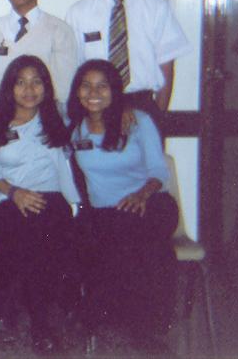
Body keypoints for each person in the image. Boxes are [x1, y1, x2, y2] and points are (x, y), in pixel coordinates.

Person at [67, 59, 178, 353]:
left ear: (115, 91)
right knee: (143, 248)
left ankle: (101, 309)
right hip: (106, 213)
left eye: (102, 86)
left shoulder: (138, 121)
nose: (94, 92)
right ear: (77, 91)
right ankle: (144, 326)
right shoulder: (74, 131)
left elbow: (159, 170)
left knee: (130, 239)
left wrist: (141, 195)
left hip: (151, 203)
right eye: (86, 85)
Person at [0, 55, 79, 354]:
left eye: (36, 82)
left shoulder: (60, 118)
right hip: (6, 202)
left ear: (47, 87)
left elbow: (99, 111)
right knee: (36, 246)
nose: (29, 89)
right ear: (10, 88)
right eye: (21, 82)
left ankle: (13, 299)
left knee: (40, 242)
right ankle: (41, 325)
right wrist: (15, 193)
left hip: (52, 202)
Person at [65, 0, 191, 129]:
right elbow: (74, 68)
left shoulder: (157, 7)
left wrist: (158, 116)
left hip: (142, 105)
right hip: (96, 106)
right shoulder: (79, 12)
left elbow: (167, 67)